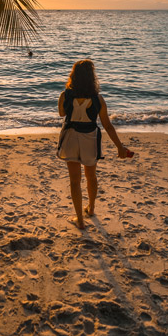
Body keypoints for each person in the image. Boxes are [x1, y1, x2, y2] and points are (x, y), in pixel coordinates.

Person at [57, 59, 133, 229]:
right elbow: (107, 125)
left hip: (70, 137)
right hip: (89, 138)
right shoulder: (98, 99)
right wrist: (119, 147)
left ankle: (80, 220)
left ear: (73, 76)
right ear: (92, 78)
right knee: (91, 176)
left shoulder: (65, 95)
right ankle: (91, 208)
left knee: (74, 181)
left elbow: (62, 114)